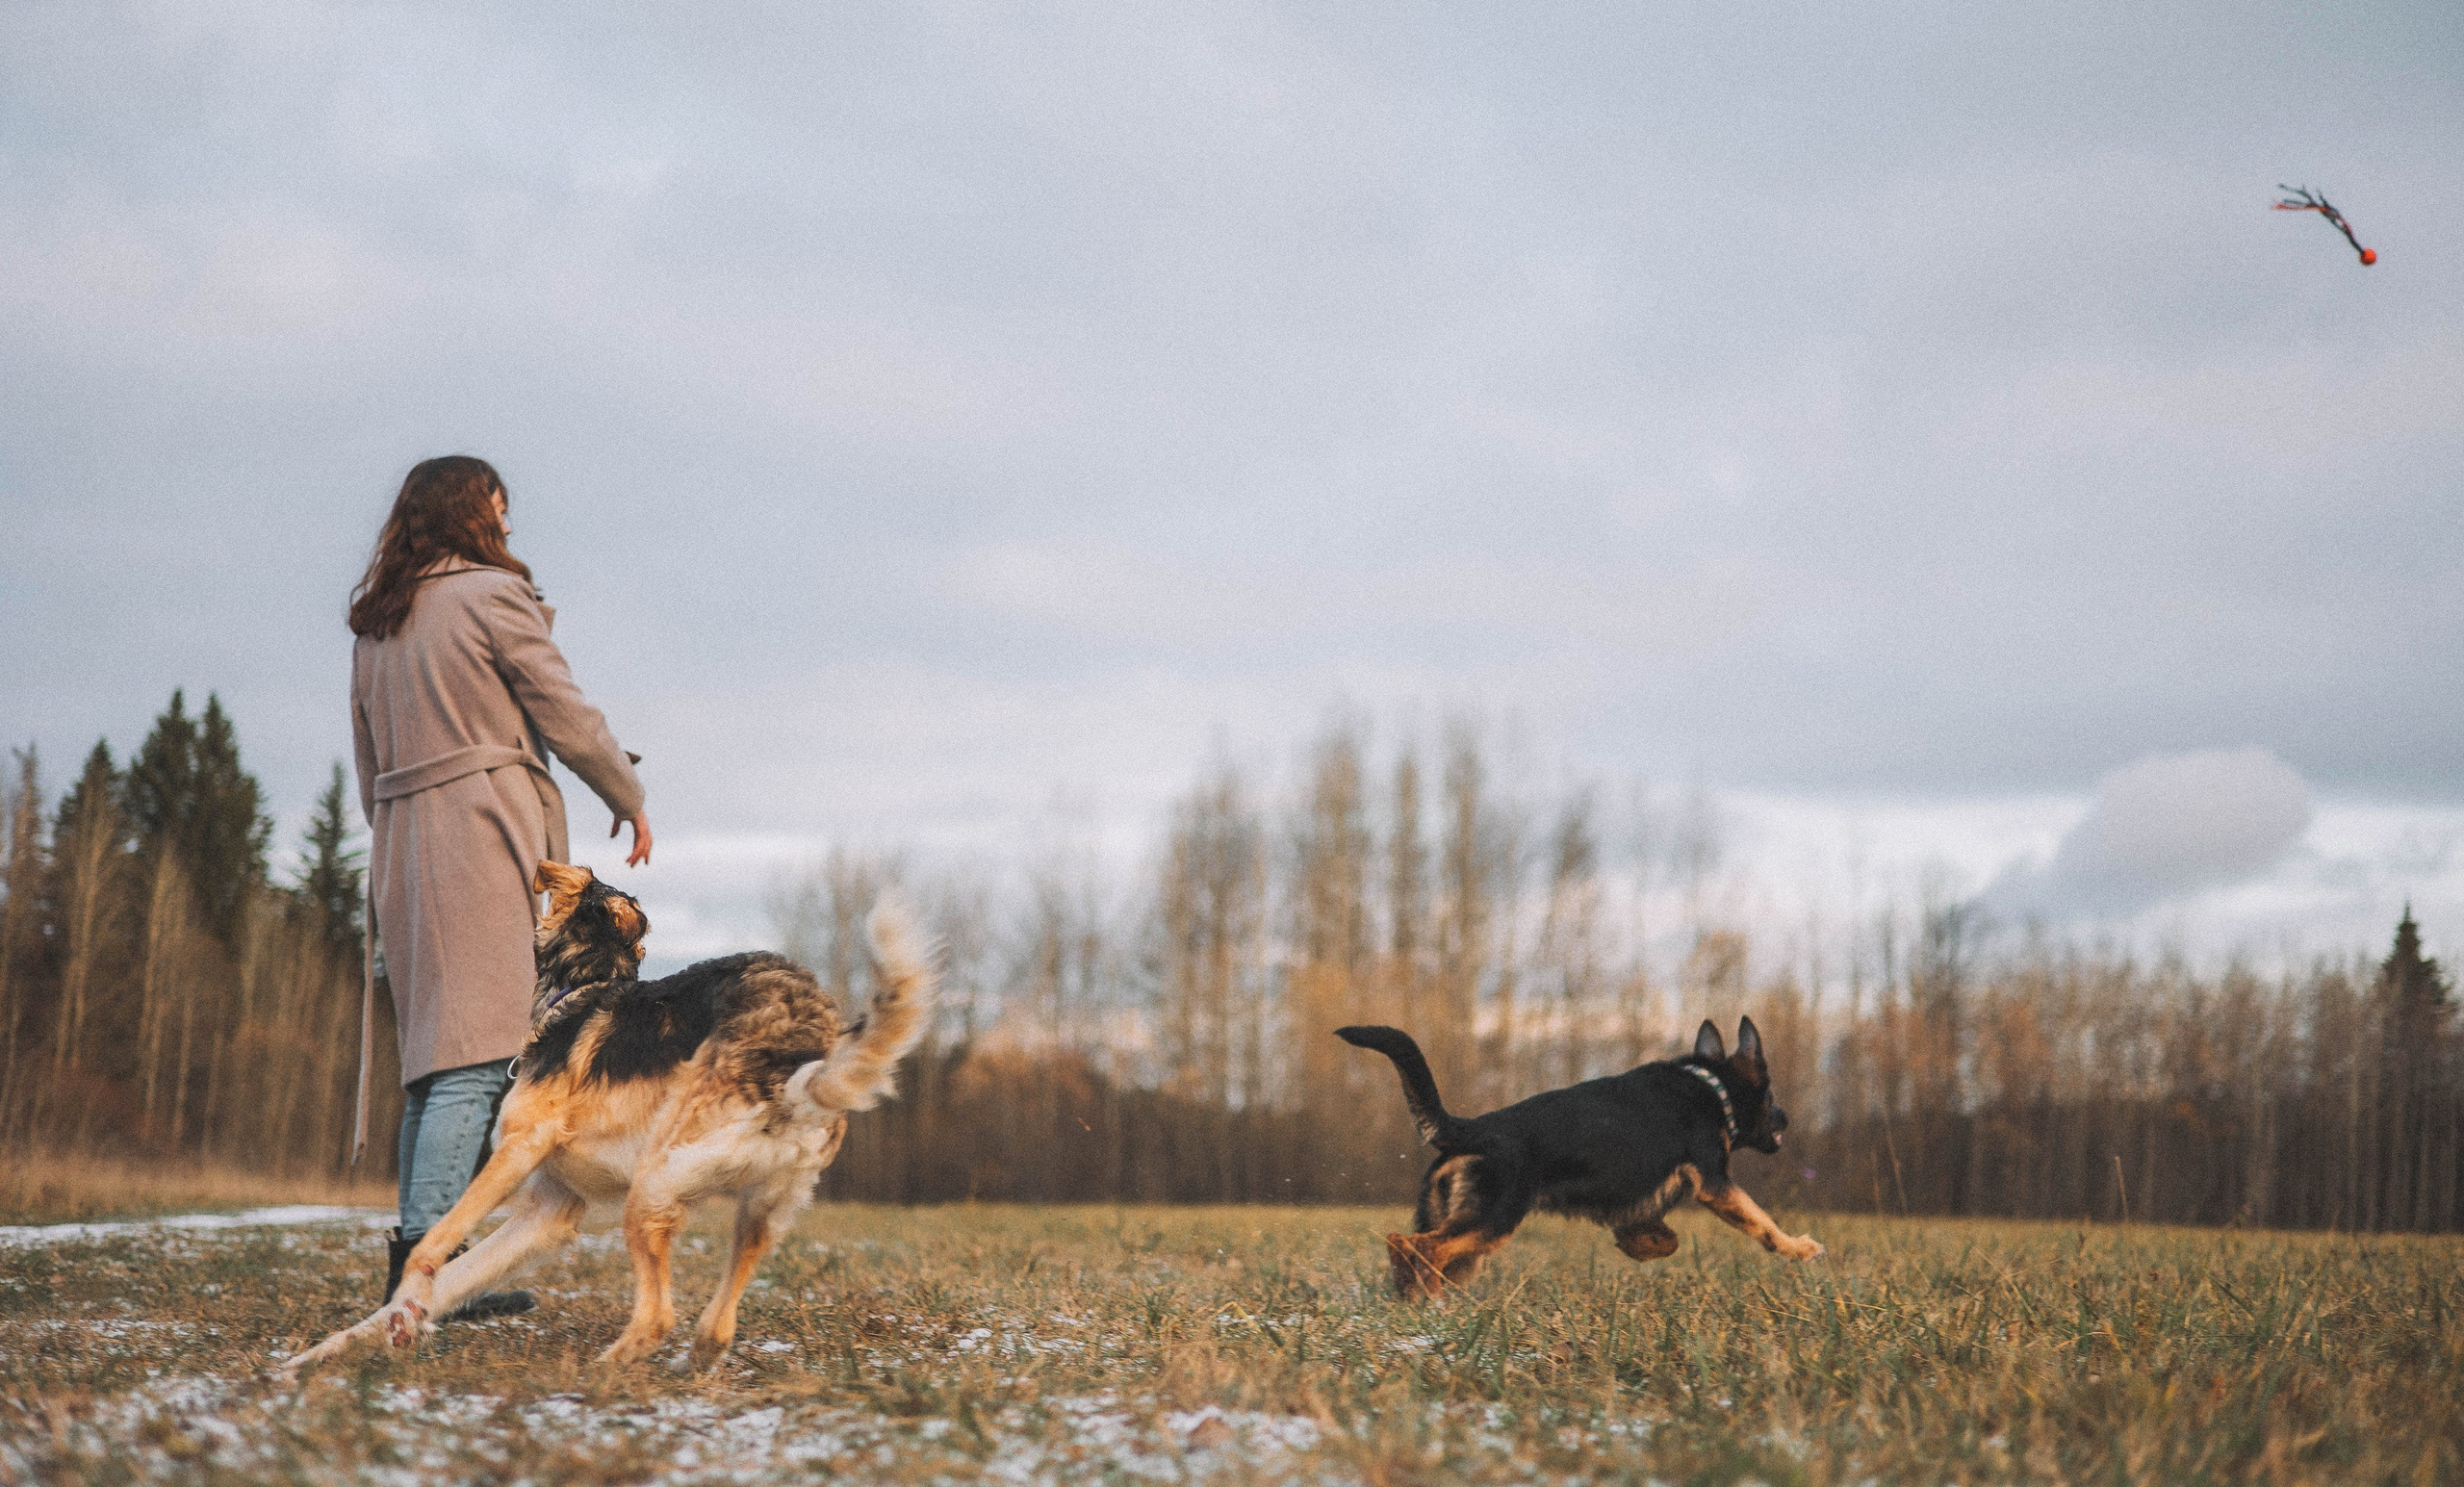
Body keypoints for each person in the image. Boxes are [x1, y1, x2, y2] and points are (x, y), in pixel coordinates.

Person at [347, 454, 650, 1316]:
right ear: (468, 514)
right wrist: (627, 796)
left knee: (435, 1064)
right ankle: (425, 1277)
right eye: (500, 509)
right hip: (483, 837)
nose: (509, 526)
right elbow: (567, 713)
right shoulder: (489, 595)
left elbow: (370, 766)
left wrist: (408, 836)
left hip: (404, 845)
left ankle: (418, 1264)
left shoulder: (378, 624)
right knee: (478, 1059)